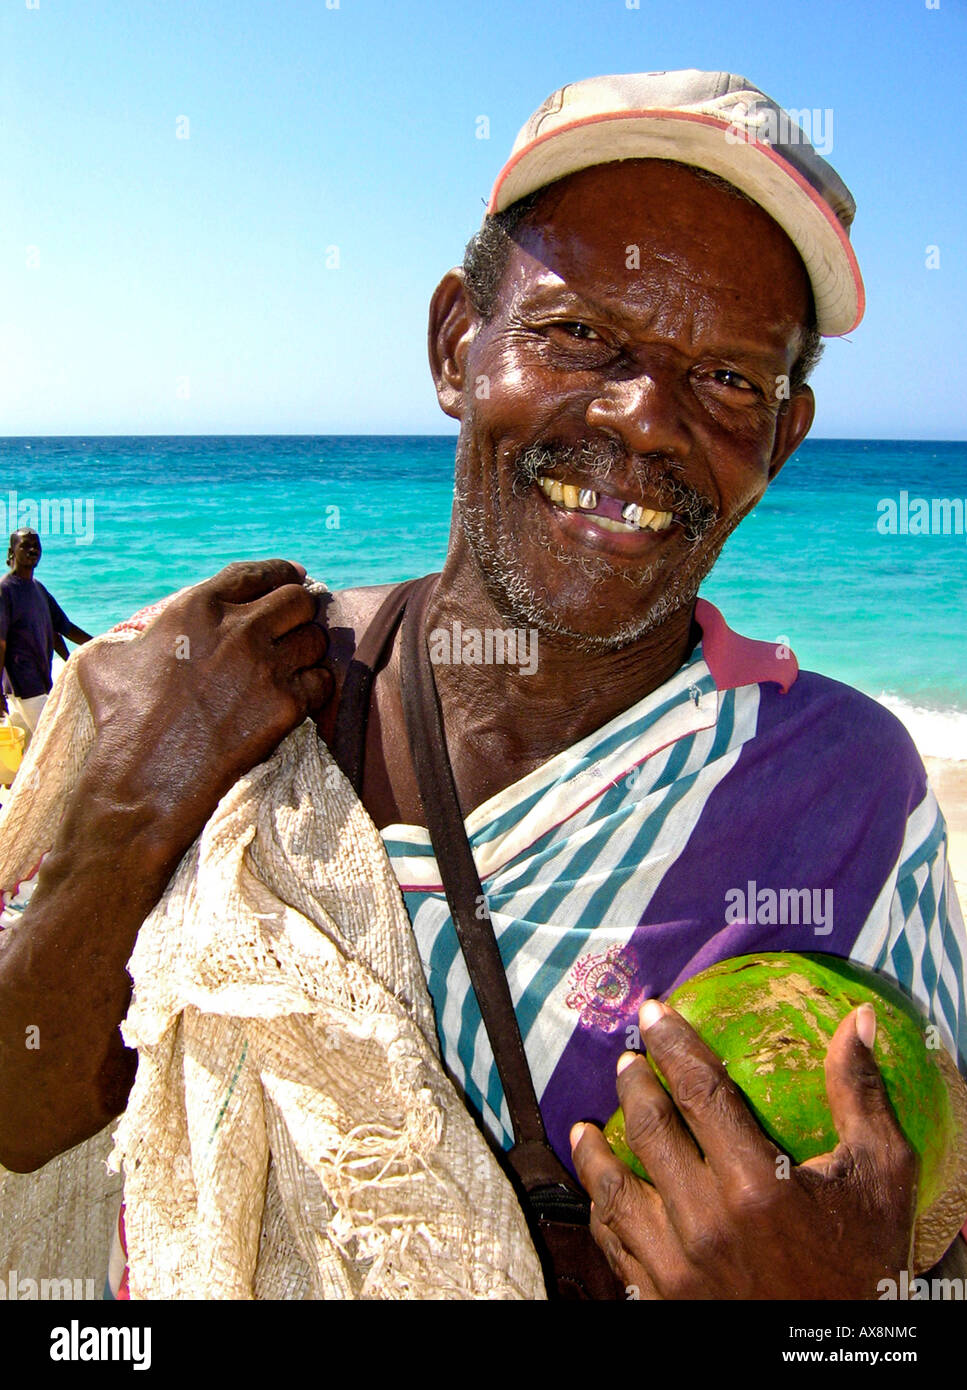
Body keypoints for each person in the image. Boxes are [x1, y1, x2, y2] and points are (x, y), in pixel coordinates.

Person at [0, 70, 964, 1300]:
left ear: (780, 440)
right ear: (459, 344)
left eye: (726, 378)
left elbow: (928, 1236)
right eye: (577, 335)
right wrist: (133, 813)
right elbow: (22, 1123)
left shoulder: (846, 800)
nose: (647, 419)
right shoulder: (218, 684)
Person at [0, 528, 92, 749]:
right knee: (58, 745)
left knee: (29, 750)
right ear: (11, 552)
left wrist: (102, 643)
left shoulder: (38, 588)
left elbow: (64, 628)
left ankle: (20, 783)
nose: (33, 550)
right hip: (24, 684)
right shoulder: (5, 590)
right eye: (25, 545)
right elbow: (0, 644)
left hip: (40, 681)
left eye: (36, 545)